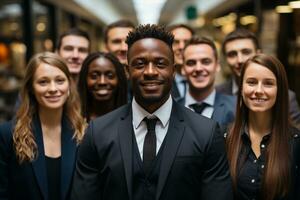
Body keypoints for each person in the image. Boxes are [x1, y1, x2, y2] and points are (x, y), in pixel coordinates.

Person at [71, 24, 232, 200]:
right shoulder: (98, 132)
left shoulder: (206, 132)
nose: (150, 72)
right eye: (139, 64)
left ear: (173, 71)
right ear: (127, 71)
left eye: (160, 63)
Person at [0, 52, 86, 200]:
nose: (53, 88)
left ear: (69, 86)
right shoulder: (8, 134)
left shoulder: (85, 133)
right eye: (43, 82)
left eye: (60, 80)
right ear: (31, 88)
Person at [226, 54, 300, 200]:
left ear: (280, 90)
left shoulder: (297, 142)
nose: (259, 90)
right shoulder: (223, 138)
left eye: (268, 83)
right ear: (241, 88)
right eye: (252, 82)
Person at [217, 28, 300, 126]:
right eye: (232, 54)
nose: (239, 60)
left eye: (246, 52)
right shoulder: (216, 95)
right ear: (226, 59)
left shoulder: (285, 96)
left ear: (258, 54)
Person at [178, 36, 236, 128]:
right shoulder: (171, 109)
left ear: (217, 66)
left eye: (206, 62)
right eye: (191, 63)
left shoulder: (235, 108)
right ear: (183, 69)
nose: (198, 68)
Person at [78, 51, 128, 122]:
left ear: (119, 79)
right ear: (84, 79)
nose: (102, 82)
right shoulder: (73, 120)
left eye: (110, 76)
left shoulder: (132, 119)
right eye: (94, 76)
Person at [167, 24, 194, 100]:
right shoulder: (161, 83)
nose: (181, 47)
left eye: (187, 42)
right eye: (175, 42)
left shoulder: (208, 79)